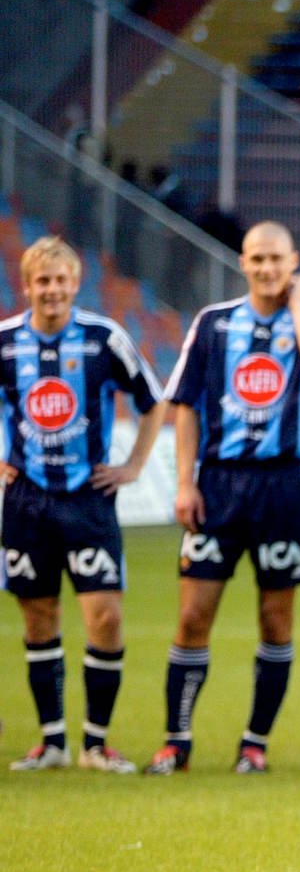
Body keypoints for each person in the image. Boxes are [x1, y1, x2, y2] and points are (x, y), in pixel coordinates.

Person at [147, 221, 300, 776]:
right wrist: (185, 482)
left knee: (275, 619)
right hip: (219, 485)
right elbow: (183, 404)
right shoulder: (213, 324)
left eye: (276, 259)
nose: (266, 268)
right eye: (257, 258)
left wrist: (299, 306)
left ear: (293, 261)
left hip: (282, 488)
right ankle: (175, 741)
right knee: (192, 615)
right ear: (242, 262)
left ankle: (254, 745)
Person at [1, 236, 166, 773]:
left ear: (76, 283)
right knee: (39, 617)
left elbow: (153, 402)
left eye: (61, 280)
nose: (52, 290)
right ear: (26, 286)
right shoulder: (5, 343)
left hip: (88, 499)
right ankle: (52, 742)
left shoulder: (103, 338)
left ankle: (96, 743)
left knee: (106, 618)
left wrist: (136, 466)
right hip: (26, 500)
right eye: (42, 281)